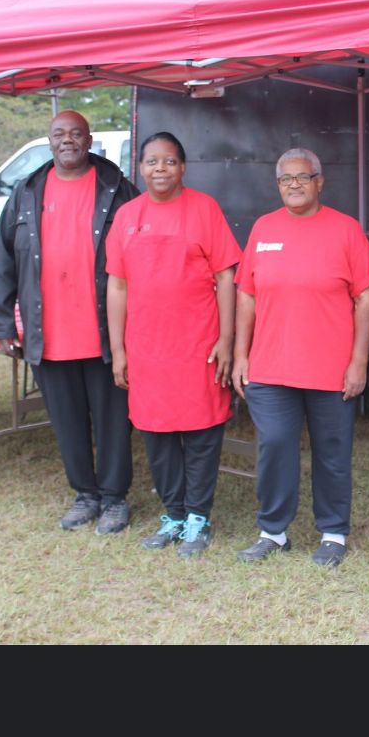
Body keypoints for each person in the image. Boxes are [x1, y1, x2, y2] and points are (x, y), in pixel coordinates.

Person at [0, 111, 139, 533]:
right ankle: (85, 495)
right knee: (67, 421)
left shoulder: (117, 189)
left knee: (112, 421)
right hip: (48, 333)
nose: (67, 140)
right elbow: (4, 260)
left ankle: (113, 498)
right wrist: (2, 323)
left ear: (89, 140)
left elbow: (141, 257)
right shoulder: (26, 191)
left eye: (76, 133)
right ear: (49, 141)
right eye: (59, 134)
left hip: (106, 332)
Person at [232, 149, 369, 568]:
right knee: (275, 446)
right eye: (285, 179)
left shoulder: (345, 230)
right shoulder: (263, 228)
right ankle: (273, 532)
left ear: (320, 181)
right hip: (271, 365)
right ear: (277, 184)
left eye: (303, 177)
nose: (294, 185)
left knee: (332, 450)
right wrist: (240, 354)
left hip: (331, 368)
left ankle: (333, 533)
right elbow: (246, 294)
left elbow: (366, 296)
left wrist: (358, 361)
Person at [106, 132, 242, 559]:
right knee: (156, 431)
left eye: (168, 161)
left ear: (183, 167)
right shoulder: (127, 216)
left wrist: (225, 339)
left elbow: (225, 278)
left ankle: (199, 517)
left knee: (202, 431)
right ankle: (174, 515)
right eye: (151, 161)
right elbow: (117, 286)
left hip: (199, 344)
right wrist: (119, 350)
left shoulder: (204, 209)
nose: (159, 169)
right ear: (140, 168)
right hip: (147, 348)